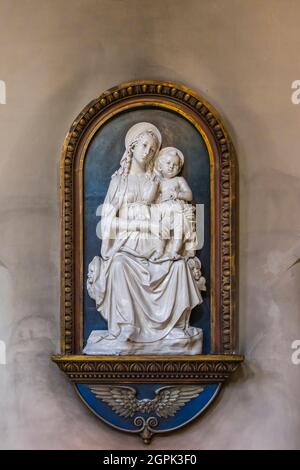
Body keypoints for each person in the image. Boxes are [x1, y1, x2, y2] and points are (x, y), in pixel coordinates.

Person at [84, 122, 204, 355]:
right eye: (144, 145)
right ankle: (128, 327)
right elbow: (107, 223)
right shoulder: (119, 181)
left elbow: (172, 209)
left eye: (152, 148)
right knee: (119, 264)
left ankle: (174, 329)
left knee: (178, 267)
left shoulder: (157, 180)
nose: (148, 151)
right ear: (132, 146)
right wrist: (141, 223)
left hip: (155, 240)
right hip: (127, 243)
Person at [152, 147, 196, 260]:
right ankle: (159, 251)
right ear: (160, 166)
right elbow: (152, 198)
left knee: (179, 230)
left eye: (175, 165)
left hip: (178, 211)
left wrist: (178, 195)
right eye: (168, 163)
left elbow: (189, 195)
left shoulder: (179, 180)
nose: (171, 166)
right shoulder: (159, 182)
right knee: (163, 230)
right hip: (164, 212)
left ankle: (174, 251)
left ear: (179, 168)